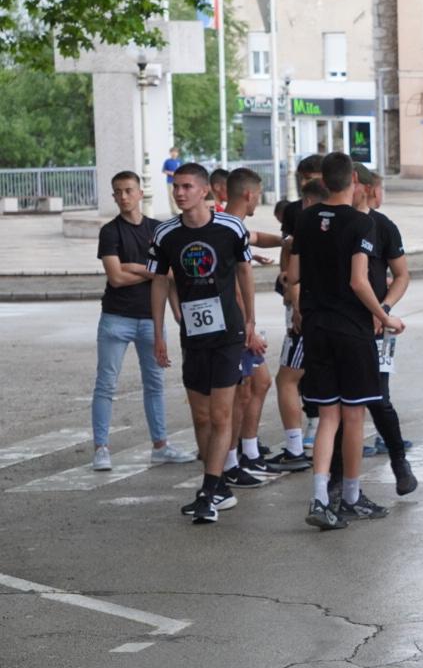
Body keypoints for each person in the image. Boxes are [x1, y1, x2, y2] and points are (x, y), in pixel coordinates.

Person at [290, 152, 405, 530]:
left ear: (324, 179)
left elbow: (295, 275)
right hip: (351, 329)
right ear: (354, 180)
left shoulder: (305, 219)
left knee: (327, 415)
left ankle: (320, 496)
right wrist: (385, 315)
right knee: (354, 414)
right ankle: (352, 496)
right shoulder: (360, 223)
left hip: (316, 326)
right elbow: (359, 281)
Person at [148, 164, 263, 523]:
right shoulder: (166, 234)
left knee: (220, 414)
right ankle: (214, 486)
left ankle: (209, 492)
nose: (179, 193)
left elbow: (245, 271)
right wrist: (159, 332)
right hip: (193, 335)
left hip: (228, 334)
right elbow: (160, 282)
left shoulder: (229, 227)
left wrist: (249, 320)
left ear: (204, 191)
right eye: (175, 187)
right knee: (200, 416)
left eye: (186, 187)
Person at [92, 170, 194, 471]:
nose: (124, 196)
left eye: (128, 190)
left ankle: (160, 446)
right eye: (118, 192)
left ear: (140, 193)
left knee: (154, 384)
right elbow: (116, 277)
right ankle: (101, 448)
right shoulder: (110, 232)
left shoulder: (159, 230)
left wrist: (137, 266)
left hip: (152, 319)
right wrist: (153, 271)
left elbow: (172, 275)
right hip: (116, 319)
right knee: (105, 385)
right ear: (114, 196)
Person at [352, 166, 418, 493]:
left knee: (379, 399)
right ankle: (341, 484)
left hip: (378, 326)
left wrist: (385, 309)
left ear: (363, 188)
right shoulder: (331, 224)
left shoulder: (383, 226)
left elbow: (402, 275)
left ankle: (399, 461)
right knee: (339, 407)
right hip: (340, 325)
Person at [219, 167, 282, 486]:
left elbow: (257, 238)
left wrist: (288, 241)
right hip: (236, 326)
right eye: (258, 195)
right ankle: (232, 462)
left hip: (236, 325)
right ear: (248, 194)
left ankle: (247, 453)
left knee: (257, 385)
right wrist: (248, 329)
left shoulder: (234, 227)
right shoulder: (231, 228)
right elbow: (234, 286)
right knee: (242, 393)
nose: (259, 199)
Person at [263, 156, 326, 473]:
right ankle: (313, 440)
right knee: (303, 374)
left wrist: (298, 300)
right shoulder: (300, 214)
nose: (310, 184)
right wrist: (288, 284)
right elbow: (289, 252)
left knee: (288, 376)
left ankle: (298, 445)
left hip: (311, 307)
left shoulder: (320, 218)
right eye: (306, 178)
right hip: (308, 303)